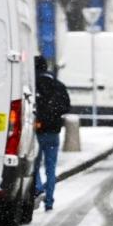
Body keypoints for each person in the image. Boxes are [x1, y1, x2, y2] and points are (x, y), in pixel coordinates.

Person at [33, 56, 70, 212]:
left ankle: (38, 187)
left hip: (36, 131)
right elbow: (66, 107)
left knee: (33, 165)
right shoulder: (58, 86)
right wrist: (54, 115)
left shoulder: (33, 85)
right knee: (51, 167)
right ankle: (49, 201)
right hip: (53, 132)